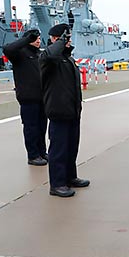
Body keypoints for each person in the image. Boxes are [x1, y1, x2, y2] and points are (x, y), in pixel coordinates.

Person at [39, 23, 90, 198]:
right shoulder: (48, 57)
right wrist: (60, 41)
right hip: (58, 110)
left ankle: (70, 177)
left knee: (71, 147)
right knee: (59, 149)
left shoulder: (67, 58)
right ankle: (57, 184)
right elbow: (51, 54)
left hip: (72, 110)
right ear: (55, 39)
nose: (68, 41)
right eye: (64, 38)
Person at [3, 29, 48, 166]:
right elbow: (8, 49)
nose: (38, 40)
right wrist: (27, 39)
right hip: (28, 98)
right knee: (31, 128)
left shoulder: (40, 55)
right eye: (35, 38)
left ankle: (42, 152)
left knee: (41, 127)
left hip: (42, 98)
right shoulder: (20, 54)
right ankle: (33, 155)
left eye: (39, 38)